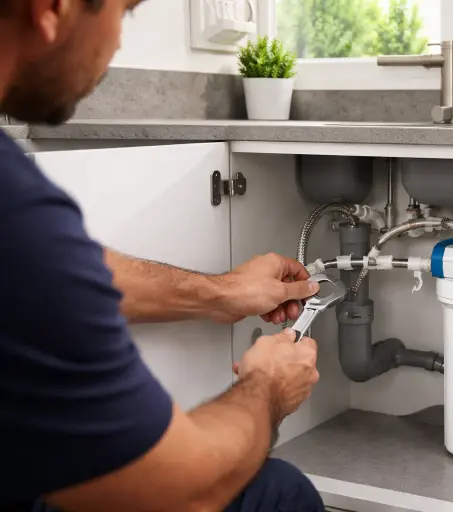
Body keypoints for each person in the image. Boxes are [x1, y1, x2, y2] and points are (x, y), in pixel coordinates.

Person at [0, 1, 326, 510]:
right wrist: (270, 386)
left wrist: (219, 293)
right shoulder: (14, 204)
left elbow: (46, 272)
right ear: (53, 8)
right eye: (124, 12)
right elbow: (182, 490)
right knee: (280, 493)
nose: (119, 41)